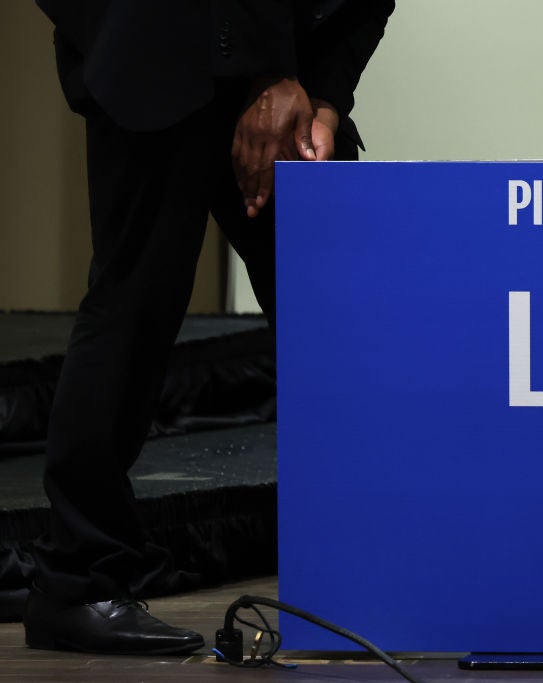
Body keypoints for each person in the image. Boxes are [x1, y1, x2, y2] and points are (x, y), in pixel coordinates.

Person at [24, 0, 395, 656]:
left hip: (269, 61)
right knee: (134, 304)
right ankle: (77, 581)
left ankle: (363, 569)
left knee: (340, 304)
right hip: (164, 41)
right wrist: (268, 79)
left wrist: (324, 100)